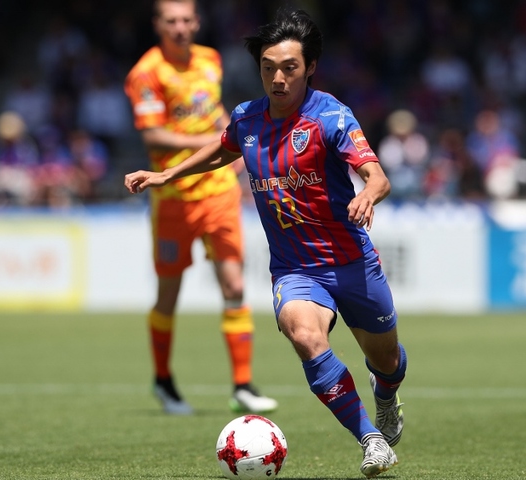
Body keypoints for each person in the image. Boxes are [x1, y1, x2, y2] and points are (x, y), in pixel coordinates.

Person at [125, 8, 406, 478]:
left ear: (309, 67)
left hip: (352, 261)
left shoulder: (330, 115)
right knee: (305, 336)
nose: (277, 78)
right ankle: (370, 439)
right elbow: (221, 149)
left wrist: (367, 194)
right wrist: (167, 174)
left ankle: (387, 396)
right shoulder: (247, 118)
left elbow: (377, 176)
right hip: (295, 269)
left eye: (289, 68)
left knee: (388, 362)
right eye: (268, 67)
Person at [123, 0, 277, 416]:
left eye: (186, 19)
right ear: (157, 24)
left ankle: (242, 385)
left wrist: (231, 142)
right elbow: (154, 137)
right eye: (171, 20)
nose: (180, 27)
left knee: (235, 286)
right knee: (168, 294)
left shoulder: (210, 59)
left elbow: (215, 112)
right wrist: (216, 143)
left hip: (218, 191)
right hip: (173, 198)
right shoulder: (146, 73)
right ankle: (163, 381)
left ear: (196, 22)